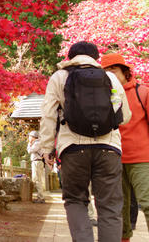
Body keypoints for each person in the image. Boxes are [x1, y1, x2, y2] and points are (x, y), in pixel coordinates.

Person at [39, 41, 131, 242]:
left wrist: (46, 148)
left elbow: (48, 115)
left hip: (72, 149)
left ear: (70, 58)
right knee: (109, 205)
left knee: (75, 201)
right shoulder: (110, 78)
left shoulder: (59, 77)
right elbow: (124, 116)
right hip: (108, 149)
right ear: (96, 58)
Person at [101, 53, 149, 242]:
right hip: (112, 157)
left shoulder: (142, 92)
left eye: (113, 69)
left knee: (147, 202)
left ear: (124, 71)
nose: (109, 74)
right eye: (105, 71)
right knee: (118, 207)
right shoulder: (101, 96)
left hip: (142, 158)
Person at [27, 130, 45, 203]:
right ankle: (39, 197)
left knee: (37, 180)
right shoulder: (37, 143)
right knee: (36, 180)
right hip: (37, 162)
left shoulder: (37, 143)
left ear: (33, 137)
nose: (29, 138)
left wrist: (29, 144)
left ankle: (41, 197)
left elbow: (29, 150)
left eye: (30, 136)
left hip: (37, 162)